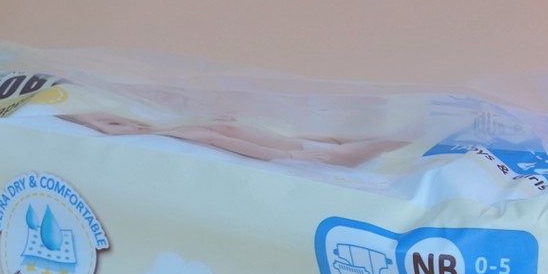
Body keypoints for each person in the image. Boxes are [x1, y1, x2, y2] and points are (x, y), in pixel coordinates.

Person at [65, 111, 404, 166]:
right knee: (215, 131)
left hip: (303, 149)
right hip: (304, 152)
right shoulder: (189, 133)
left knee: (216, 131)